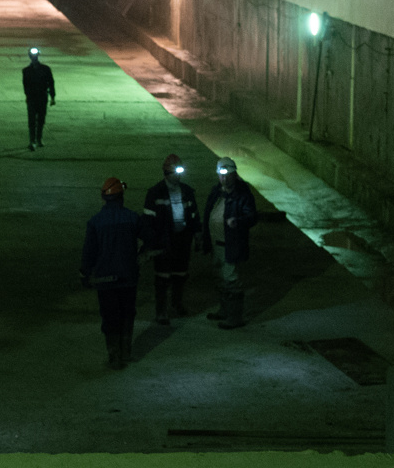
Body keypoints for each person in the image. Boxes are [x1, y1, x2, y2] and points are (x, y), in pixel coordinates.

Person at [79, 176, 147, 369]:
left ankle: (114, 355)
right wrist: (141, 256)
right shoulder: (133, 218)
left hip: (105, 279)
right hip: (128, 277)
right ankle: (126, 351)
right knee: (127, 313)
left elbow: (89, 252)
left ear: (104, 198)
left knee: (110, 316)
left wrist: (84, 273)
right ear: (121, 197)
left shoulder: (95, 222)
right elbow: (151, 239)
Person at [199, 158, 259, 329]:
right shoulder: (217, 191)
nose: (223, 179)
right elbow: (208, 212)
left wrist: (237, 222)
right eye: (220, 175)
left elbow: (252, 216)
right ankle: (224, 310)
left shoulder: (242, 193)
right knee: (220, 277)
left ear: (234, 173)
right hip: (215, 243)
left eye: (227, 175)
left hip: (230, 245)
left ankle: (235, 316)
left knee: (231, 279)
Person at [142, 154, 200, 323]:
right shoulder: (155, 193)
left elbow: (194, 215)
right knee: (162, 277)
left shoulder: (187, 192)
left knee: (180, 274)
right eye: (175, 172)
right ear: (166, 173)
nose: (179, 175)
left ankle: (177, 303)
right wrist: (150, 245)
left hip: (182, 240)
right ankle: (161, 311)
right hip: (164, 241)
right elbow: (148, 222)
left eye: (180, 171)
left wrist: (197, 235)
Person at [22, 46, 55, 149]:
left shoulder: (46, 69)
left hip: (42, 97)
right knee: (31, 120)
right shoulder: (26, 71)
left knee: (41, 119)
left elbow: (51, 83)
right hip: (32, 98)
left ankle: (39, 139)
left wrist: (52, 97)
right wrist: (27, 96)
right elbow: (25, 85)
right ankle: (32, 140)